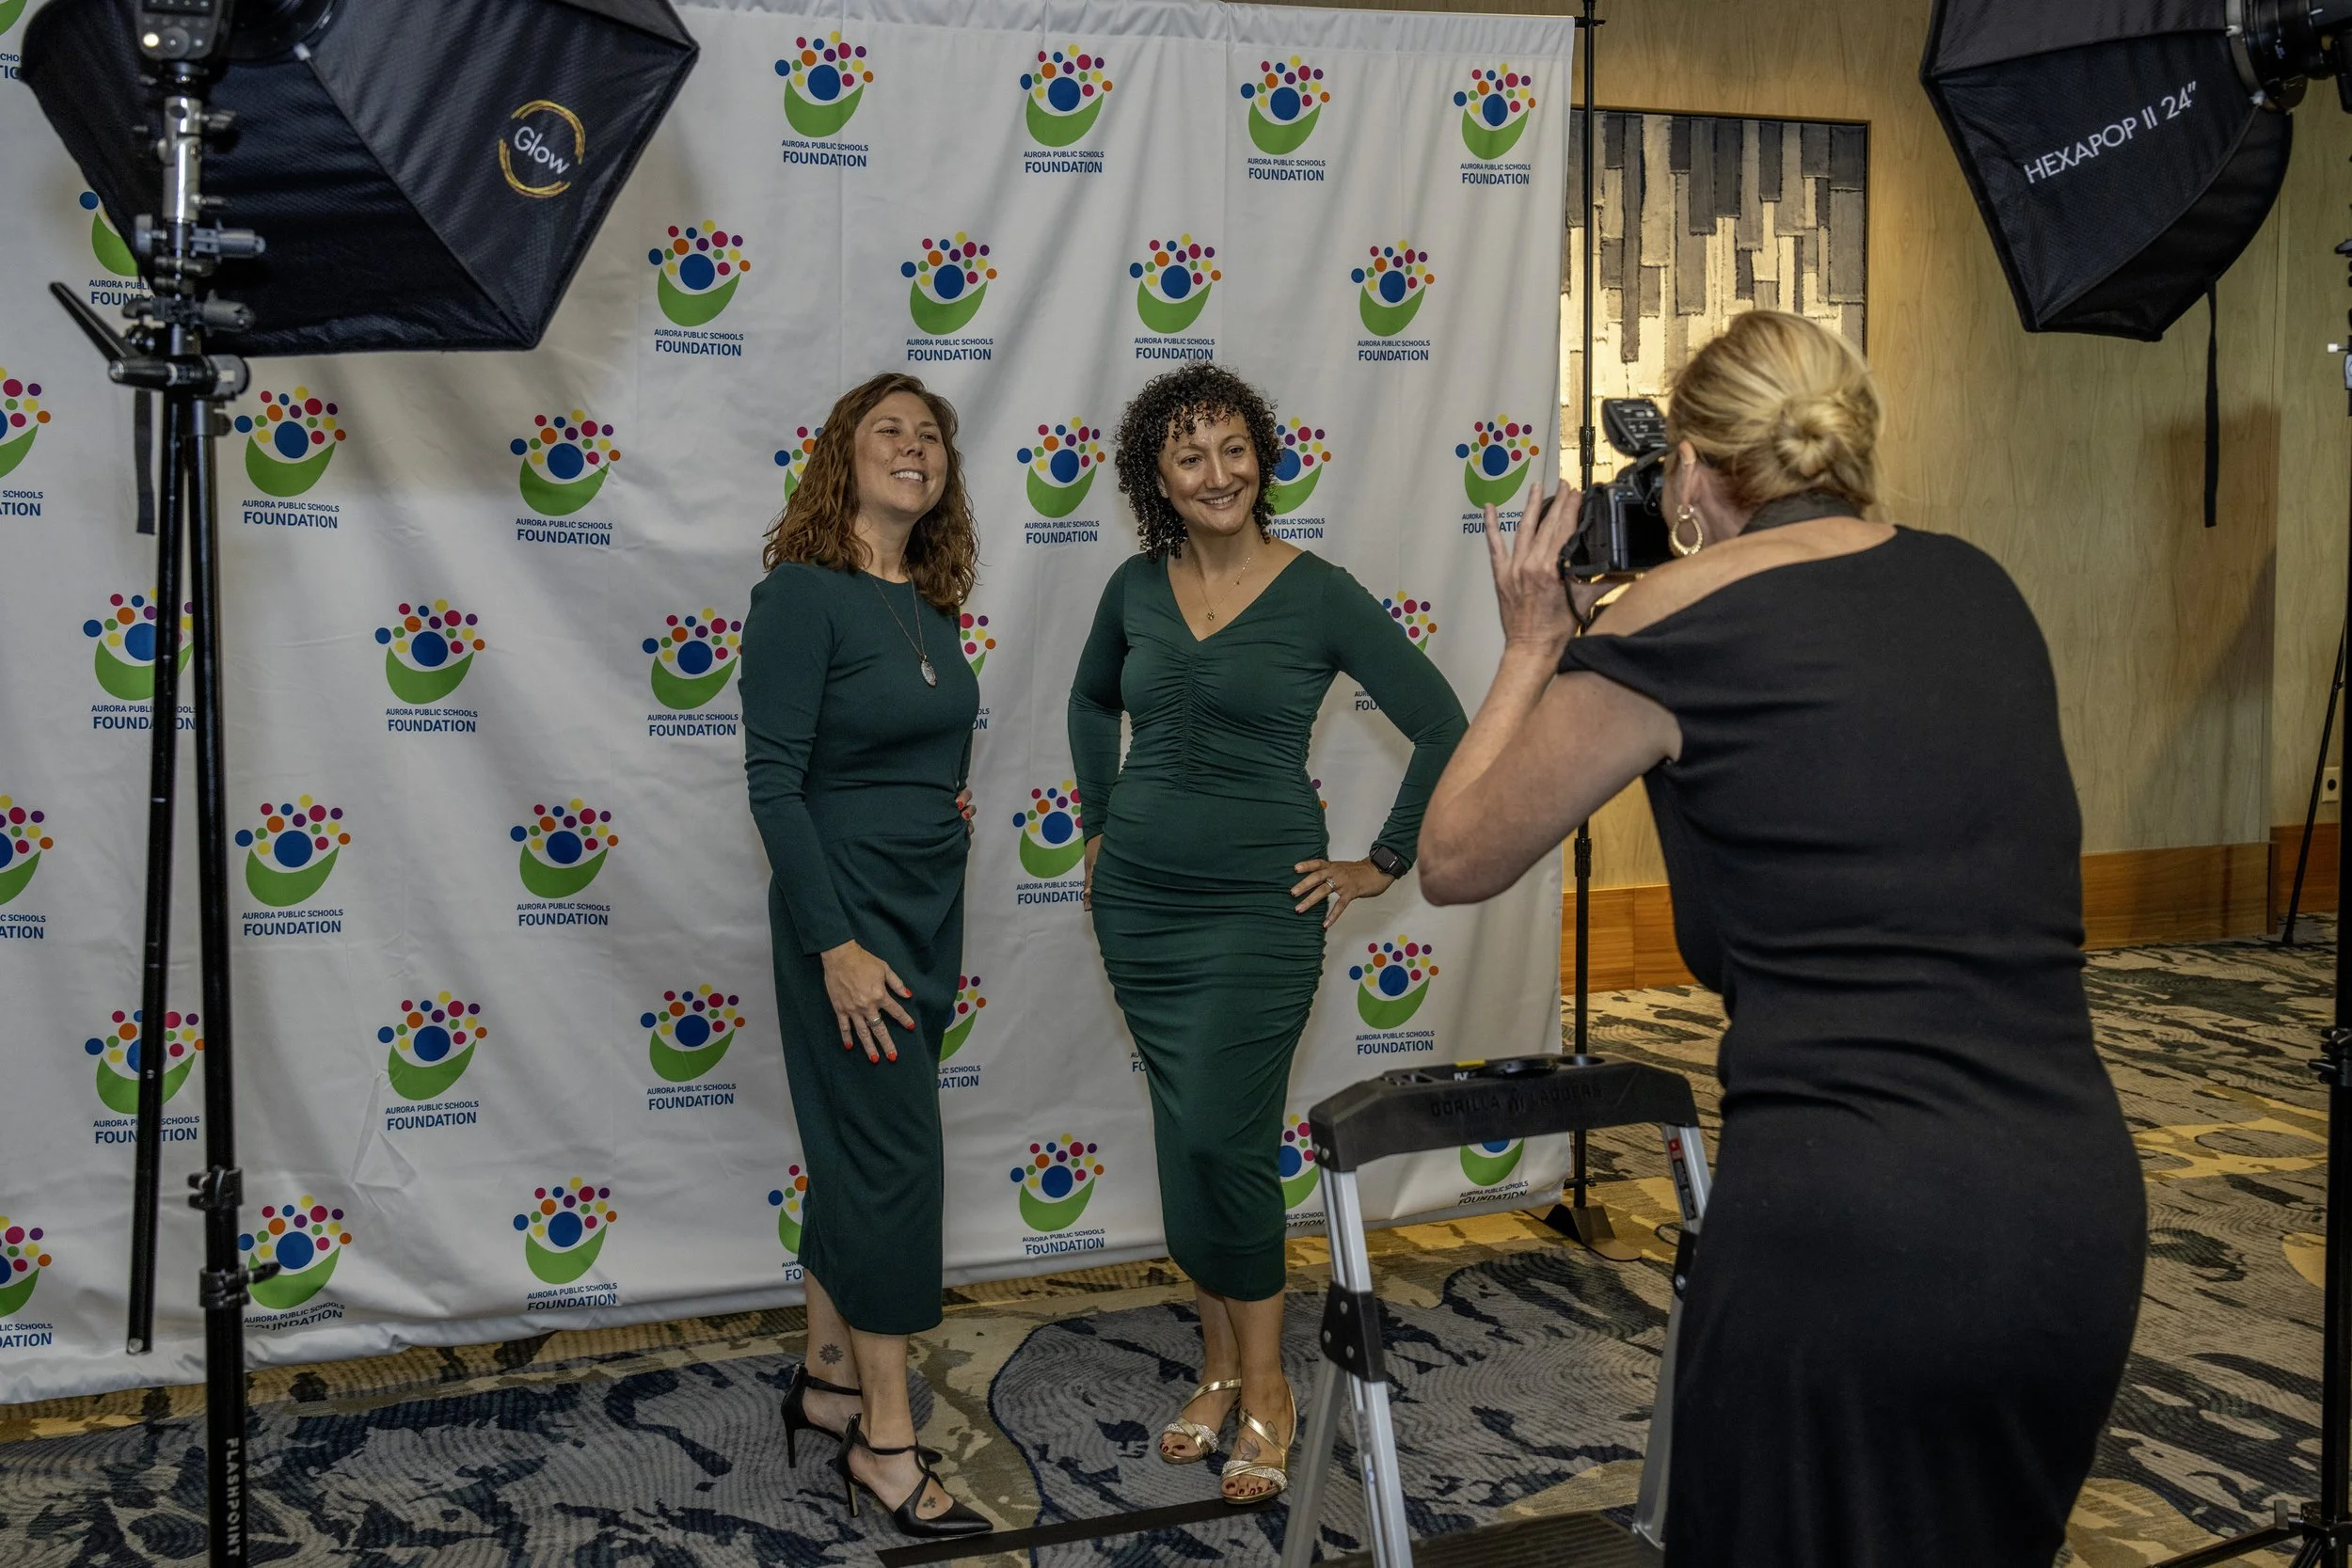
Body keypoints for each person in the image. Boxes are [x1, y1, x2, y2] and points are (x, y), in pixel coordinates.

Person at [1418, 310, 2146, 1567]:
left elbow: (1456, 854)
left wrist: (1542, 643)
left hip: (1851, 1230)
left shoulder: (1669, 623)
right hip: (2072, 1215)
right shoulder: (1981, 582)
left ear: (1693, 470)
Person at [1068, 364, 1467, 1504]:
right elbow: (1091, 701)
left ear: (1264, 456)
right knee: (1185, 1134)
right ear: (1157, 475)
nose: (1216, 472)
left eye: (1233, 448)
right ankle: (1210, 1368)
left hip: (1259, 912)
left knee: (1227, 1143)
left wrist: (1379, 860)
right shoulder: (1134, 587)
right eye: (1188, 454)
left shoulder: (1319, 591)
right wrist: (1098, 820)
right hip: (1139, 904)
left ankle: (1268, 1385)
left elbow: (1440, 721)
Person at [741, 372, 991, 1540]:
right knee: (893, 1163)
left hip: (924, 906)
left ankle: (830, 1378)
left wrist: (941, 805)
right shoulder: (801, 594)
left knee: (857, 1147)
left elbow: (906, 744)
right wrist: (834, 942)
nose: (913, 445)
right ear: (841, 457)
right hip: (847, 917)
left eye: (929, 433)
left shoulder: (927, 603)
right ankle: (885, 1445)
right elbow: (774, 785)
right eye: (886, 429)